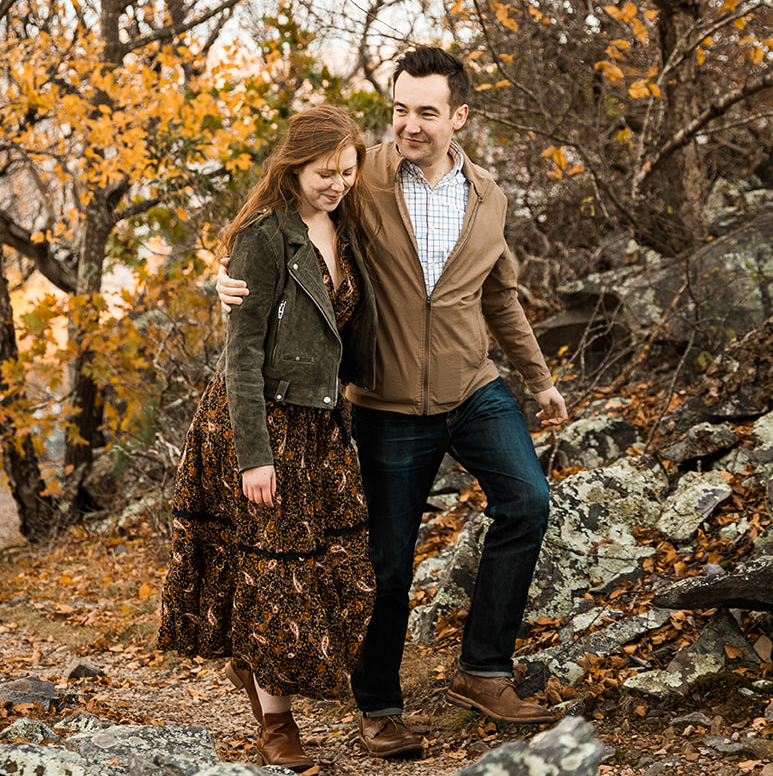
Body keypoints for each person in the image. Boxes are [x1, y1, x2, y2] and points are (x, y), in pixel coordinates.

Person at [219, 48, 568, 759]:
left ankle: (484, 668)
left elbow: (500, 296)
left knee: (529, 501)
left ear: (459, 116)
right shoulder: (362, 173)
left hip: (474, 387)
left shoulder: (490, 196)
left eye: (426, 112)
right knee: (388, 558)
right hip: (386, 401)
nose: (409, 124)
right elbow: (282, 219)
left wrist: (537, 380)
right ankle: (378, 705)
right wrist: (220, 278)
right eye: (400, 109)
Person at [158, 105, 380, 776]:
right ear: (294, 165)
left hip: (321, 428)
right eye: (324, 172)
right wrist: (255, 456)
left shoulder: (351, 226)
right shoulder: (263, 236)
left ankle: (258, 669)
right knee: (275, 577)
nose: (337, 183)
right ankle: (276, 722)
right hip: (259, 423)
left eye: (347, 171)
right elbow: (241, 353)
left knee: (341, 570)